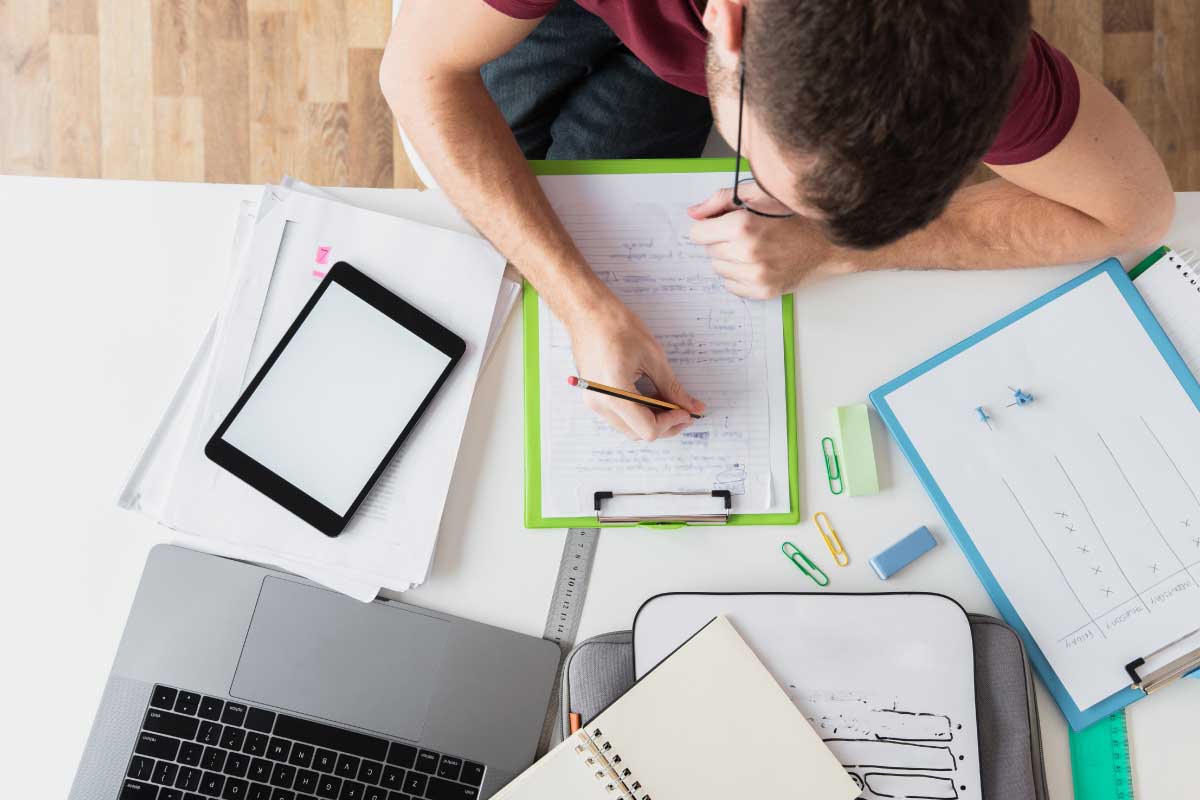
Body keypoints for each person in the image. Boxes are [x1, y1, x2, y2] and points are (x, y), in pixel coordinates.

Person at [380, 0, 1174, 442]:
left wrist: (836, 250)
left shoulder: (953, 39)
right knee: (488, 169)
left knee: (564, 185)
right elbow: (417, 73)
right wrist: (580, 305)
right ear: (727, 22)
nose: (767, 208)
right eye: (758, 173)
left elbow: (1134, 215)